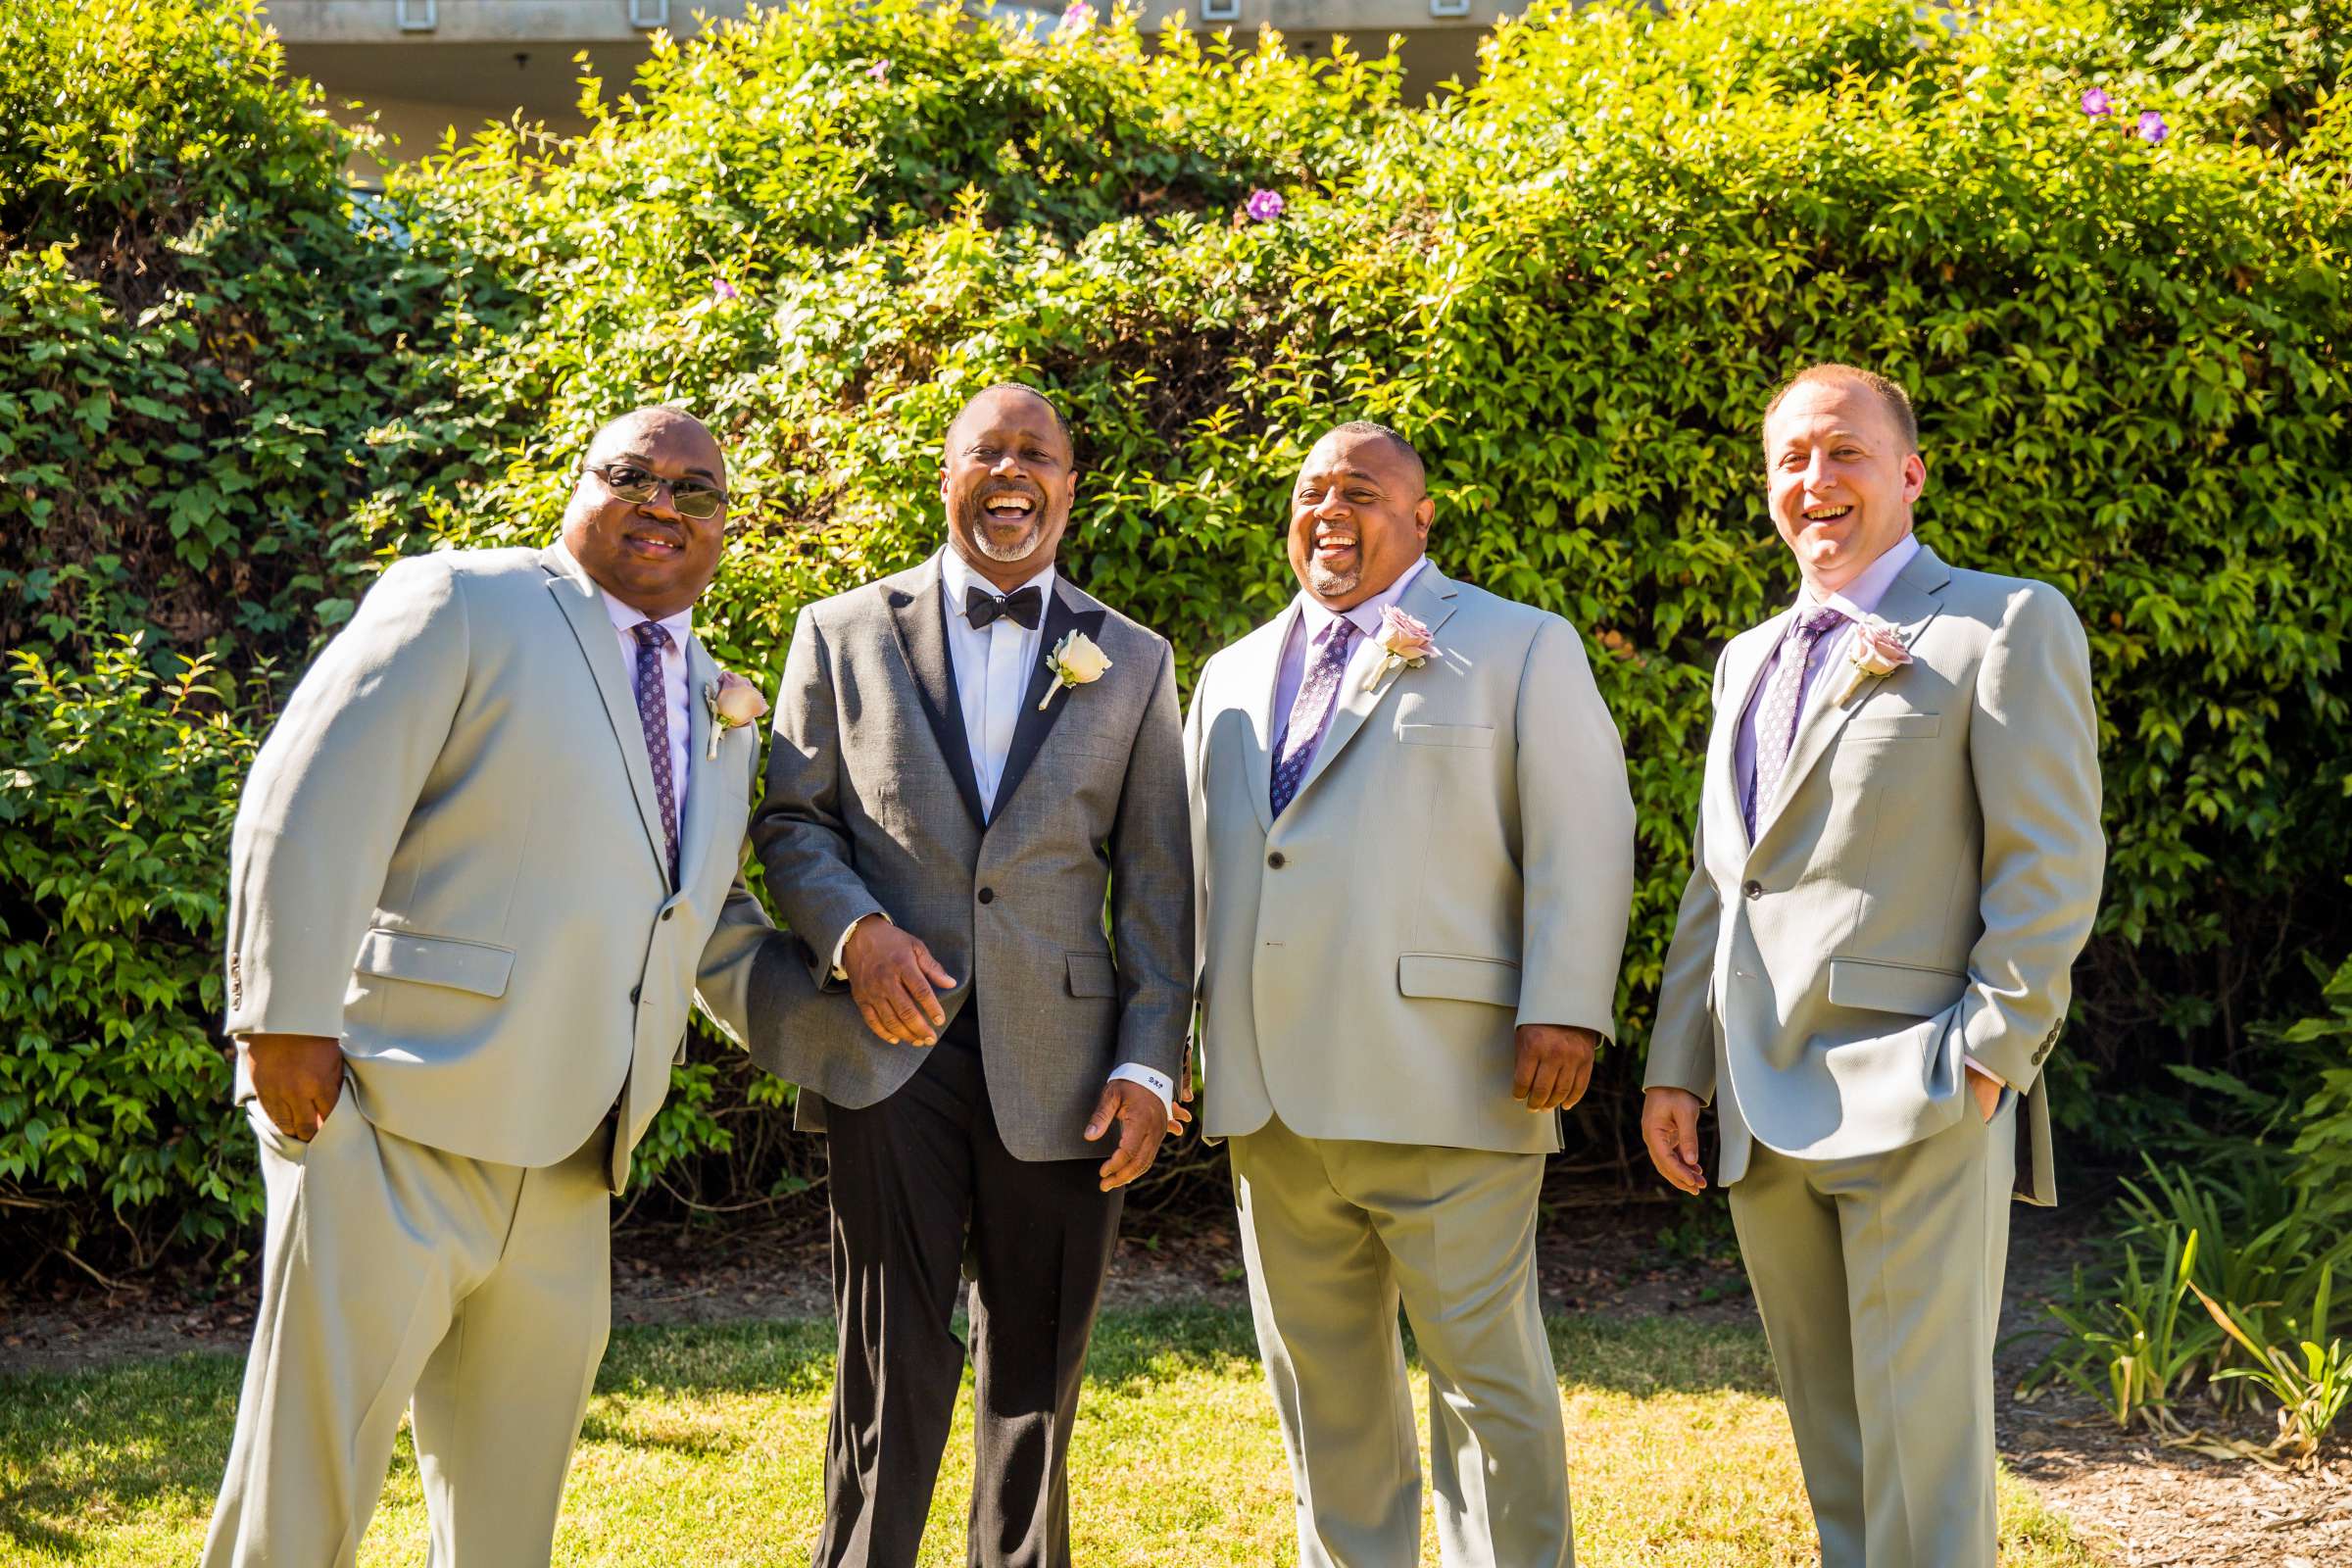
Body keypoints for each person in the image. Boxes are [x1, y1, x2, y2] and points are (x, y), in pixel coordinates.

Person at [202, 406, 779, 1566]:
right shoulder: (466, 599)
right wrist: (281, 1017)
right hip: (395, 1119)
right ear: (581, 486)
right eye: (634, 476)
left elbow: (698, 916)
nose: (665, 503)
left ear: (725, 526)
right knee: (302, 1496)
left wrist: (857, 1030)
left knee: (510, 1523)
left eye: (697, 491)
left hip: (572, 1161)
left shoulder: (720, 699)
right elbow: (307, 791)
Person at [1641, 364, 2105, 1568]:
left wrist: (1990, 1056)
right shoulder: (1746, 658)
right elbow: (1720, 880)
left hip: (1918, 1090)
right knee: (1835, 1446)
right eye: (1791, 459)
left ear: (1908, 473)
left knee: (1925, 1454)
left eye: (1844, 453)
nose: (1815, 480)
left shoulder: (2002, 622)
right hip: (1756, 1102)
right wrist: (1676, 1067)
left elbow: (2049, 865)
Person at [746, 383, 1193, 1568]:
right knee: (888, 1348)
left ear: (1068, 485)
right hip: (887, 1040)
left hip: (1068, 1068)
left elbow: (1159, 885)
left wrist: (1151, 1061)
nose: (1012, 472)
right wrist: (856, 935)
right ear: (946, 479)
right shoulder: (839, 631)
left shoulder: (1136, 661)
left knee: (1038, 1365)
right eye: (985, 452)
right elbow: (793, 823)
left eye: (1035, 453)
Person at [1183, 419, 1636, 1567]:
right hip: (1272, 1098)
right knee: (1324, 1397)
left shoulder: (1520, 644)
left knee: (1488, 1390)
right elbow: (1202, 866)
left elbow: (1584, 832)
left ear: (1423, 516)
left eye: (1363, 490)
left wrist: (1568, 1003)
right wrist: (1186, 1038)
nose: (1330, 509)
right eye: (1311, 491)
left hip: (1452, 1076)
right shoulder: (1232, 672)